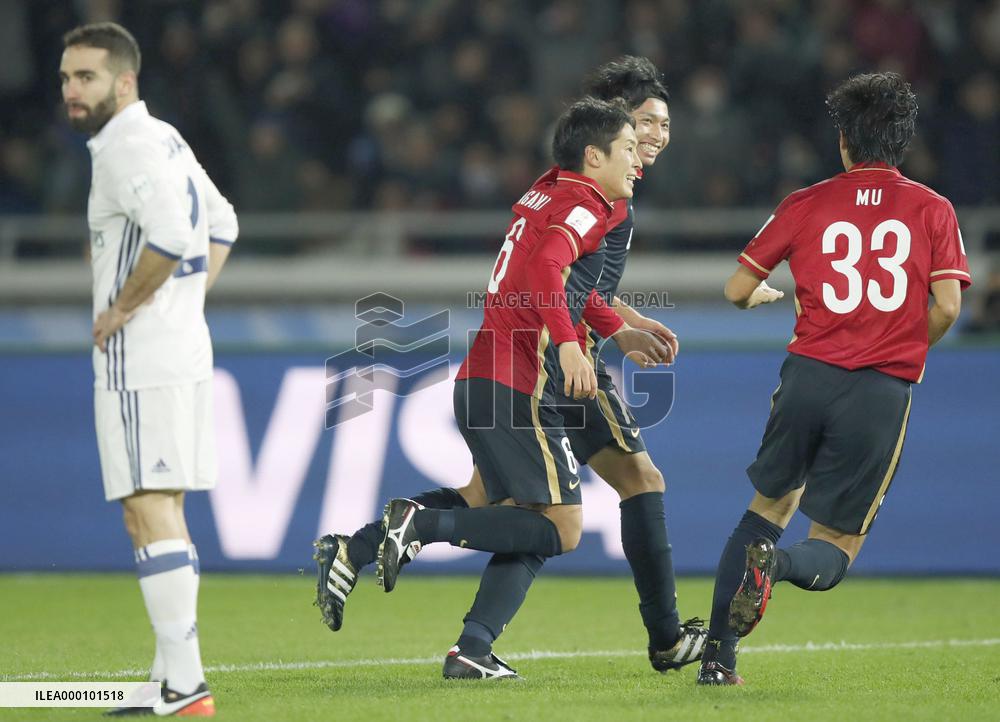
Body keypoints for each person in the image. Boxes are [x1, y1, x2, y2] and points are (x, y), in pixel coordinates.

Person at [314, 57, 709, 677]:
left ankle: (408, 591)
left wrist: (622, 328)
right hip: (541, 367)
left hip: (518, 361)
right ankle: (662, 638)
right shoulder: (599, 203)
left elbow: (575, 285)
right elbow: (552, 271)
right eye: (643, 129)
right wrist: (580, 341)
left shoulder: (559, 188)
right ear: (604, 140)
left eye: (661, 127)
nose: (653, 141)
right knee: (586, 506)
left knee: (516, 507)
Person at [696, 71, 970, 686]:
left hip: (808, 375)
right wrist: (897, 343)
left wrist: (762, 296)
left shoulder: (805, 203)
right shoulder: (933, 209)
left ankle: (717, 659)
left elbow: (736, 288)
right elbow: (949, 306)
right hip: (879, 389)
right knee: (837, 544)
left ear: (844, 140)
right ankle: (781, 566)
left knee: (764, 509)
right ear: (901, 142)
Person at [60, 22, 237, 715]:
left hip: (142, 357)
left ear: (124, 81)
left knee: (146, 507)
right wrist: (185, 305)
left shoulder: (125, 146)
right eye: (67, 79)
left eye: (87, 78)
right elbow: (221, 224)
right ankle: (171, 680)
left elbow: (168, 234)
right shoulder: (162, 136)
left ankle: (187, 686)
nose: (73, 91)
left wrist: (124, 310)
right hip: (181, 344)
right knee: (161, 508)